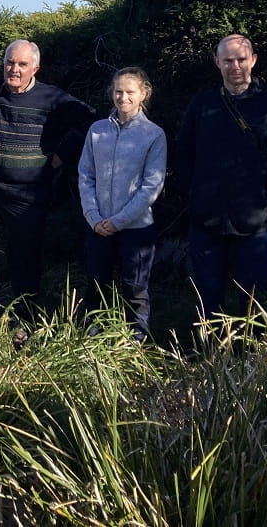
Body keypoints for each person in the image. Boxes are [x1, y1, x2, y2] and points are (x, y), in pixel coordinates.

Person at [0, 39, 95, 313]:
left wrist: (63, 154)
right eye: (10, 63)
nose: (15, 69)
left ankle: (24, 318)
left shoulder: (52, 99)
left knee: (25, 256)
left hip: (27, 193)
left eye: (22, 64)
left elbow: (92, 122)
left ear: (35, 68)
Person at [173, 34, 267, 327]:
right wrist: (192, 194)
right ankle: (211, 358)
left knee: (253, 298)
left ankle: (253, 363)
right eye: (228, 60)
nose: (235, 66)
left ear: (253, 60)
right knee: (208, 296)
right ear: (217, 62)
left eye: (241, 59)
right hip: (205, 218)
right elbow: (183, 153)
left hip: (255, 220)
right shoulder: (202, 104)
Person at [77, 67, 167, 339]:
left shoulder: (153, 135)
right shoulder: (97, 131)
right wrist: (93, 216)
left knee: (134, 289)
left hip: (136, 228)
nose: (123, 97)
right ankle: (92, 339)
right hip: (99, 225)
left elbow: (152, 186)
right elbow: (85, 174)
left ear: (143, 94)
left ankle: (135, 344)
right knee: (95, 285)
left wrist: (119, 221)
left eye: (130, 92)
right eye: (118, 91)